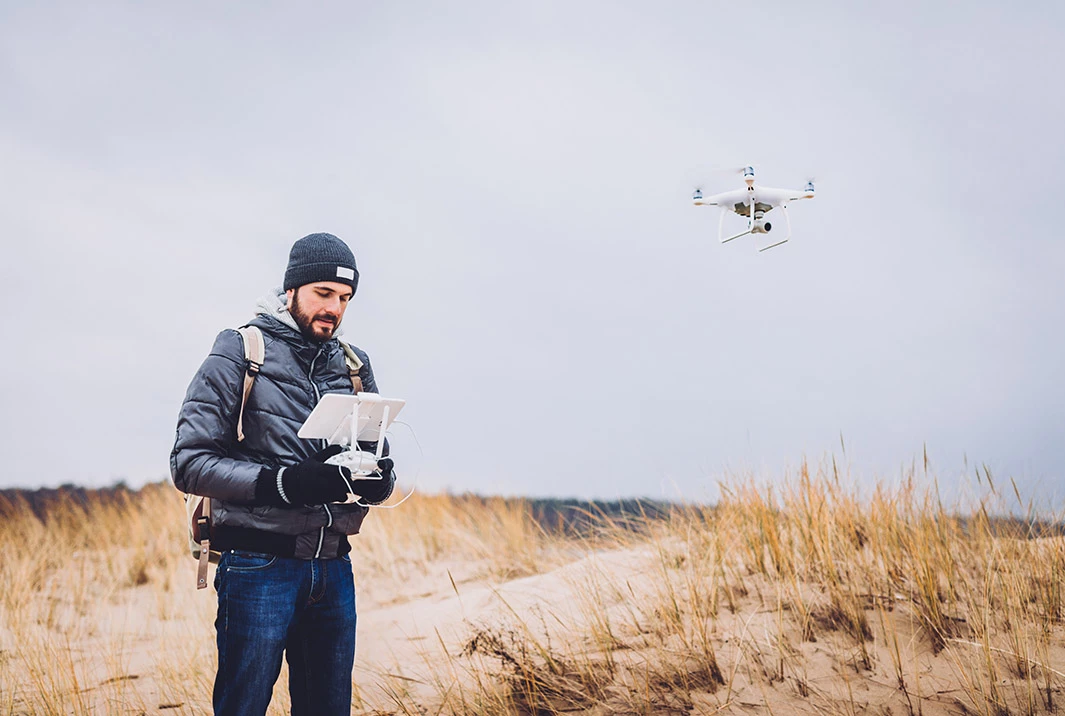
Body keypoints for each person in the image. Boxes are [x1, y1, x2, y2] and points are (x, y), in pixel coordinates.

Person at [171, 232, 395, 715]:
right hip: (258, 567)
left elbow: (374, 451)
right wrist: (283, 483)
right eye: (323, 293)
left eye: (345, 298)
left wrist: (380, 481)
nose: (334, 308)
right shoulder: (240, 349)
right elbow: (188, 463)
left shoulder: (354, 365)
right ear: (290, 290)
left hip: (334, 567)